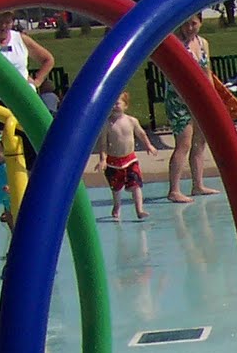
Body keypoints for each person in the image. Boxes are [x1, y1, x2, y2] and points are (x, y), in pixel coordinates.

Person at [0, 10, 52, 178]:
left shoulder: (21, 39)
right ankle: (5, 194)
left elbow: (48, 59)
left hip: (21, 100)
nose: (3, 26)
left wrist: (37, 81)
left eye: (7, 21)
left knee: (30, 143)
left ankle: (33, 188)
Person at [164, 13, 220, 203]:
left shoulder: (203, 44)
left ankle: (198, 185)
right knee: (184, 143)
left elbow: (207, 72)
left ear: (201, 23)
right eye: (186, 24)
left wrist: (212, 98)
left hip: (199, 99)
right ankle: (174, 190)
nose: (189, 28)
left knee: (200, 141)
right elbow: (173, 75)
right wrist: (189, 98)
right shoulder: (175, 43)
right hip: (178, 99)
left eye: (193, 24)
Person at [94, 92, 156, 220]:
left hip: (130, 159)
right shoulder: (107, 124)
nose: (114, 106)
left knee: (136, 185)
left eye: (117, 103)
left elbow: (141, 134)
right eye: (112, 104)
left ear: (125, 105)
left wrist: (148, 145)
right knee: (116, 189)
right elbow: (103, 144)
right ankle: (117, 206)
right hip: (113, 162)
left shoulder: (132, 121)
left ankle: (139, 210)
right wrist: (102, 160)